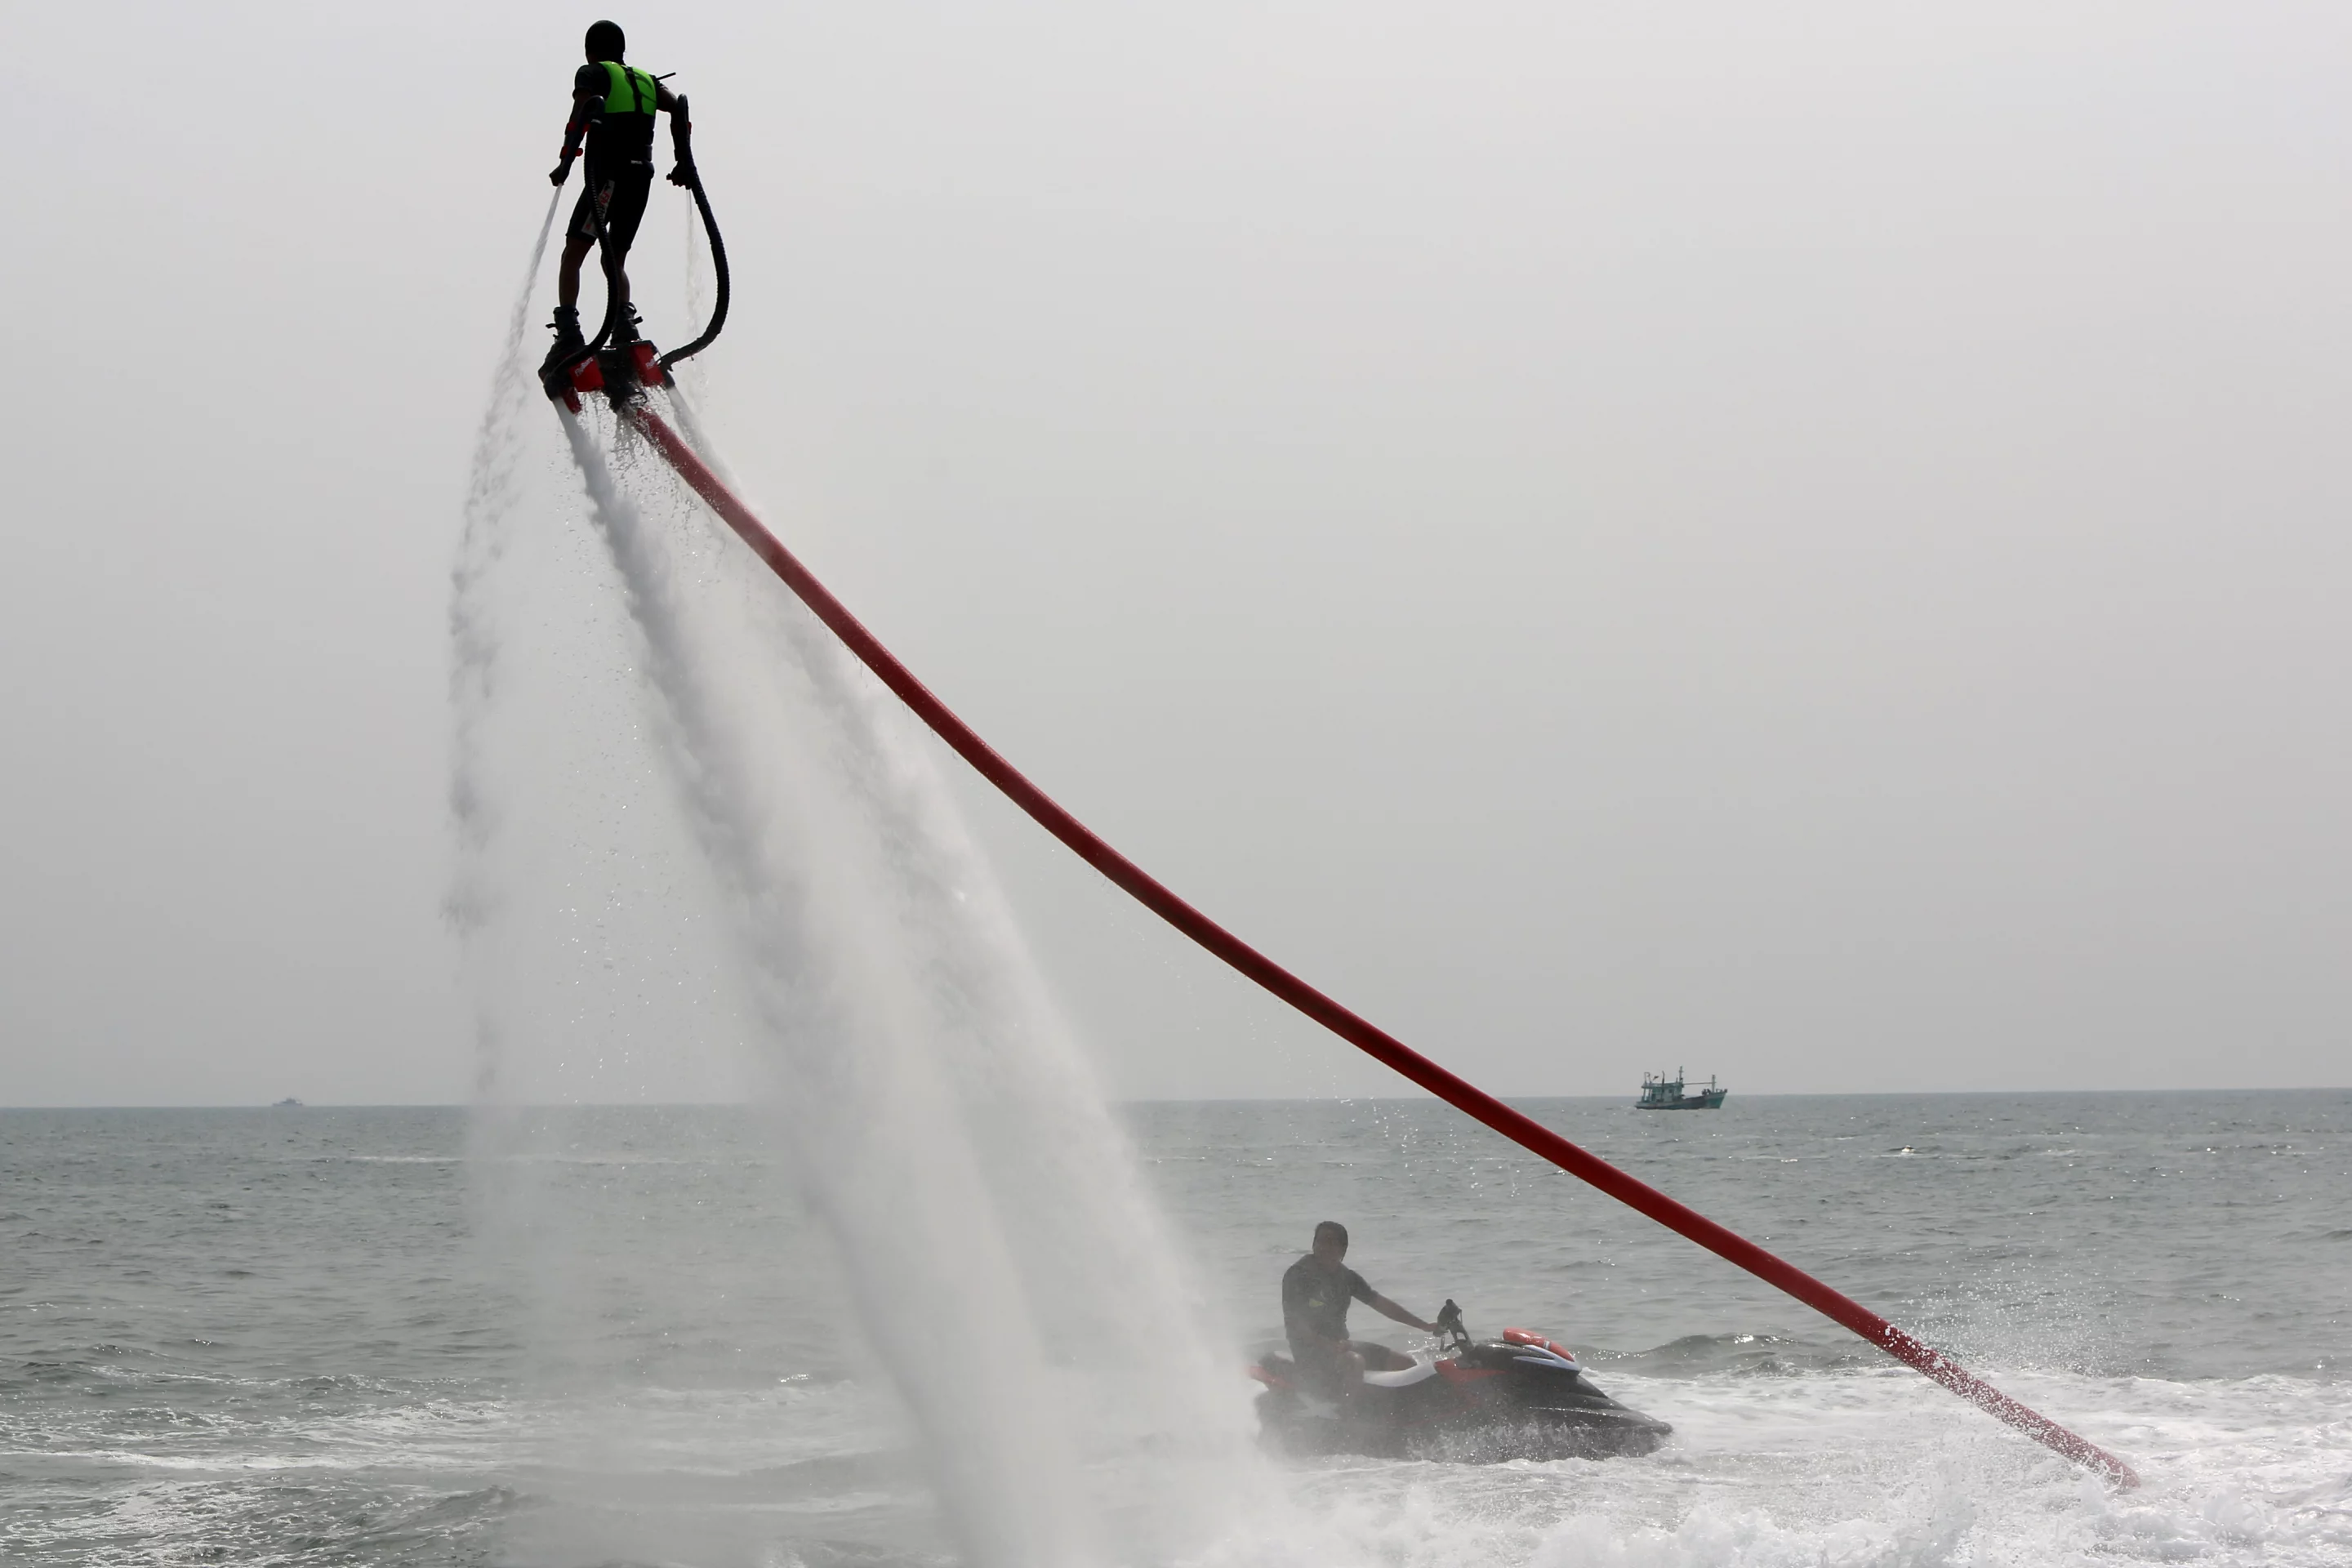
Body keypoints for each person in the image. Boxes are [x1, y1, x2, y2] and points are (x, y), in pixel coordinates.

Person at [544, 20, 696, 370]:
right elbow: (679, 109)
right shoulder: (647, 80)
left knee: (574, 251)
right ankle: (624, 326)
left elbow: (579, 116)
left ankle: (568, 333)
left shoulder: (593, 73)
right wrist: (683, 162)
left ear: (590, 51)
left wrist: (565, 163)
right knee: (614, 259)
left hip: (608, 177)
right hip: (641, 177)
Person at [1281, 1220, 1434, 1396]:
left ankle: (1405, 1407)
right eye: (1320, 1241)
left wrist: (1424, 1326)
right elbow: (1296, 1324)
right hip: (1309, 1351)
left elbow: (1380, 1304)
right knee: (1355, 1362)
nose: (1323, 1247)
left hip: (1341, 1346)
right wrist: (1329, 1345)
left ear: (1343, 1249)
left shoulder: (1347, 1277)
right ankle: (1347, 1412)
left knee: (1406, 1364)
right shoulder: (1298, 1275)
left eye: (1330, 1242)